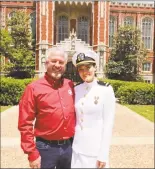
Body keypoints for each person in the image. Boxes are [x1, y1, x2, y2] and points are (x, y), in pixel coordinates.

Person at [18, 47, 76, 169]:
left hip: (69, 147)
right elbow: (25, 123)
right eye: (54, 61)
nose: (57, 65)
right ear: (46, 63)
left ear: (65, 65)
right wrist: (32, 153)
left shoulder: (70, 85)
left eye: (61, 62)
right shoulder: (33, 88)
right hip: (45, 148)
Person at [71, 50, 116, 168]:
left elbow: (108, 124)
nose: (85, 72)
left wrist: (103, 154)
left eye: (88, 67)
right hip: (77, 149)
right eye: (81, 69)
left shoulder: (106, 90)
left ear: (95, 67)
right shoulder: (76, 89)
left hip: (95, 151)